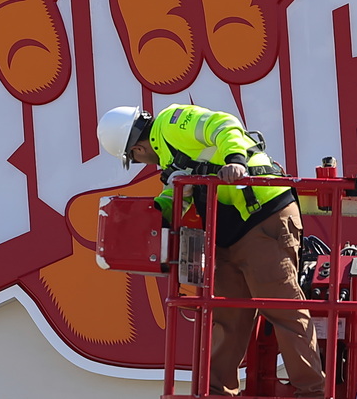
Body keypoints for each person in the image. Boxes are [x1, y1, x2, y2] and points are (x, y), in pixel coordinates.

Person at [97, 104, 325, 398]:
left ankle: (313, 393)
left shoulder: (171, 122)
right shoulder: (169, 159)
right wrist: (158, 211)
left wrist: (236, 160)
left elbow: (224, 124)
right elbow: (176, 196)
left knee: (283, 308)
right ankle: (216, 392)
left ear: (137, 151)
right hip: (230, 232)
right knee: (225, 317)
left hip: (262, 217)